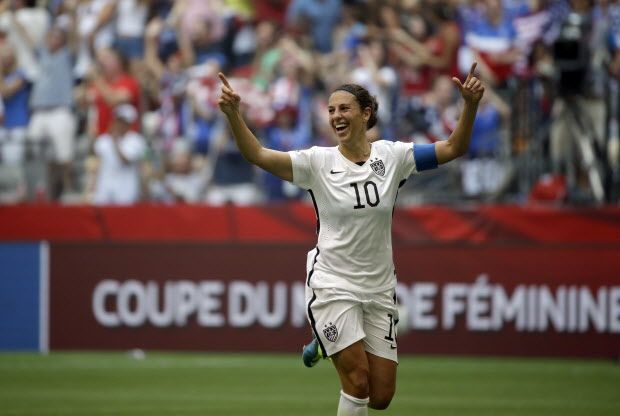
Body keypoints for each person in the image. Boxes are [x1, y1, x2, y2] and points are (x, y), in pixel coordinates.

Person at [217, 63, 484, 415]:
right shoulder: (317, 162)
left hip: (378, 288)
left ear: (366, 113)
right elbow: (258, 155)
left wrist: (470, 105)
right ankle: (332, 335)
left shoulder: (393, 156)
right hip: (332, 284)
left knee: (381, 396)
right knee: (357, 380)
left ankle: (323, 342)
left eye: (344, 109)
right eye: (330, 111)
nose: (336, 116)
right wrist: (235, 114)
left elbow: (453, 147)